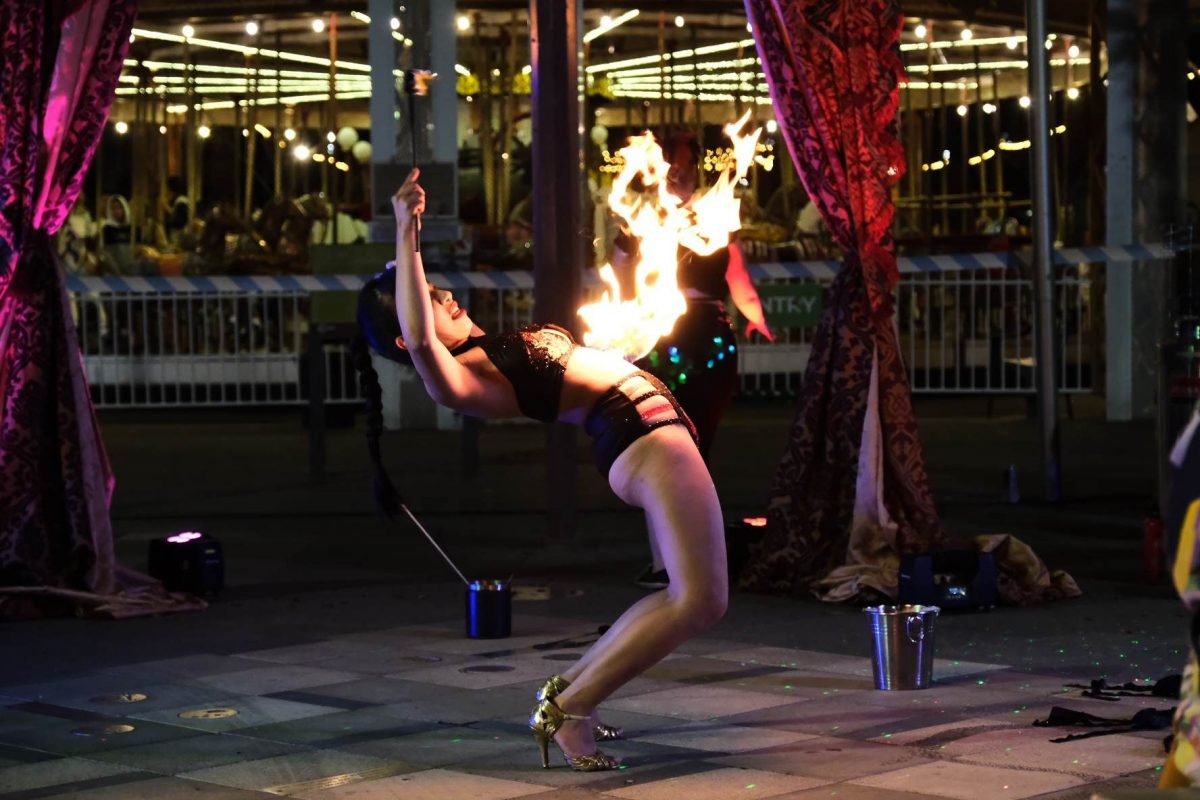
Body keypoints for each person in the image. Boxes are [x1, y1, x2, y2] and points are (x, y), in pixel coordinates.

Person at [354, 170, 728, 772]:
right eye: (428, 297)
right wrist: (406, 232)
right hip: (643, 436)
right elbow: (423, 341)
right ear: (405, 333)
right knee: (702, 599)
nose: (446, 297)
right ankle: (574, 709)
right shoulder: (456, 377)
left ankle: (566, 694)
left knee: (686, 594)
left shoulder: (486, 350)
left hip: (647, 429)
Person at [613, 131, 775, 589]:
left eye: (685, 167)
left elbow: (737, 273)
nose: (679, 175)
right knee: (660, 448)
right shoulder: (640, 213)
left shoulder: (717, 209)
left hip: (708, 339)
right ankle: (665, 564)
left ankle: (689, 562)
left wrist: (756, 316)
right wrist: (630, 316)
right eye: (672, 166)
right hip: (660, 340)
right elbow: (620, 267)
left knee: (696, 452)